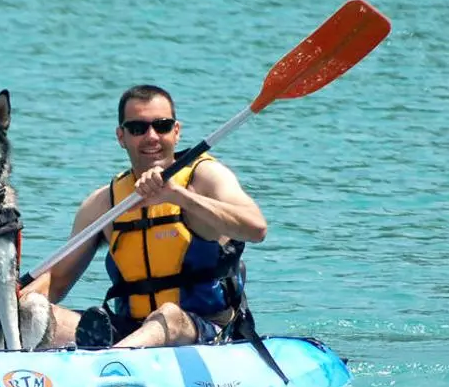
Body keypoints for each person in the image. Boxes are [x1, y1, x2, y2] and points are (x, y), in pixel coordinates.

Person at [19, 84, 267, 348]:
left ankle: (110, 358)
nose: (152, 137)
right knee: (31, 309)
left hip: (205, 330)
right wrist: (16, 302)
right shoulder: (104, 203)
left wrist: (178, 196)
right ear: (121, 137)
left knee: (168, 316)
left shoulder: (204, 178)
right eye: (138, 128)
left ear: (176, 131)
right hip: (130, 330)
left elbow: (256, 228)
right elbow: (56, 281)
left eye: (162, 126)